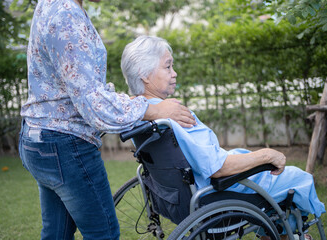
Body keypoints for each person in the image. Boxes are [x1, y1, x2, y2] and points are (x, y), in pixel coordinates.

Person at [18, 1, 196, 239]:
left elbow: (80, 87)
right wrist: (151, 109)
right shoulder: (66, 14)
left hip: (39, 138)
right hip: (64, 144)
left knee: (56, 234)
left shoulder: (51, 4)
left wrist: (128, 102)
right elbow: (92, 103)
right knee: (104, 234)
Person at [121, 35, 325, 240]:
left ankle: (276, 234)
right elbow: (218, 168)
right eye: (167, 67)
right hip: (214, 194)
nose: (174, 74)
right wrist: (267, 155)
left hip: (171, 199)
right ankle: (293, 234)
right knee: (299, 179)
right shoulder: (172, 117)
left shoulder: (139, 116)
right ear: (144, 75)